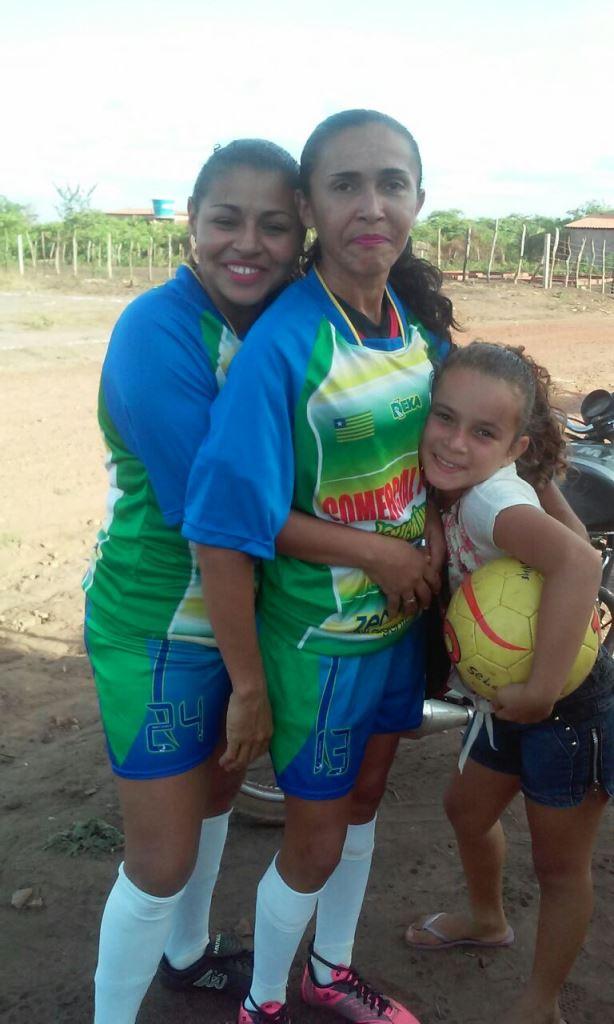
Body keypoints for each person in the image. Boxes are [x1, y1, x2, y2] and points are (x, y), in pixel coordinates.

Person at [182, 109, 458, 1024]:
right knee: (315, 834)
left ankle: (329, 973)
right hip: (319, 646)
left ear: (420, 197)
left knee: (368, 802)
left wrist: (429, 543)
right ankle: (263, 1003)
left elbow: (442, 463)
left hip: (396, 633)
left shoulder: (413, 329)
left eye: (392, 182)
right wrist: (251, 685)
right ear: (309, 206)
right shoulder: (288, 344)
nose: (371, 205)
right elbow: (225, 523)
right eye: (345, 185)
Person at [82, 139, 307, 1024]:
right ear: (191, 222)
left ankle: (187, 952)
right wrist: (377, 553)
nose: (247, 242)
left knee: (218, 789)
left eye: (275, 225)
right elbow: (223, 516)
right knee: (160, 858)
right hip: (160, 629)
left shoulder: (275, 321)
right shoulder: (156, 331)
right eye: (226, 219)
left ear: (300, 240)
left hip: (238, 620)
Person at [404, 342, 614, 1024]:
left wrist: (544, 689)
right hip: (512, 695)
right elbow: (575, 527)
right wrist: (535, 475)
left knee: (559, 868)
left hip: (566, 706)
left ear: (512, 444)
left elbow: (581, 562)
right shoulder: (473, 486)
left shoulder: (489, 501)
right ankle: (487, 917)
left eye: (483, 433)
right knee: (467, 811)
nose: (456, 442)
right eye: (445, 418)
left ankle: (539, 1004)